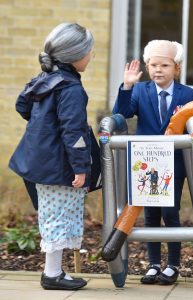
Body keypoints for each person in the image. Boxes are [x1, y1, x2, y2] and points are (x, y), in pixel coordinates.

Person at [9, 23, 94, 290]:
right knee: (58, 215)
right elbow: (74, 132)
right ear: (75, 55)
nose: (91, 57)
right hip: (59, 165)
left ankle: (54, 270)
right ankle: (53, 274)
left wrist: (42, 127)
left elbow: (22, 104)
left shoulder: (44, 80)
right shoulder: (70, 89)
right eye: (89, 51)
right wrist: (81, 168)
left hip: (37, 161)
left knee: (52, 214)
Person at [112, 40, 193, 285]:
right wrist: (127, 85)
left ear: (176, 68)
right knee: (150, 215)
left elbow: (191, 122)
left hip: (173, 161)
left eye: (164, 65)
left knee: (170, 213)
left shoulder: (186, 93)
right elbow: (123, 113)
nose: (158, 69)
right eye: (153, 65)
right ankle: (153, 264)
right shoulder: (140, 90)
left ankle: (172, 264)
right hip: (147, 162)